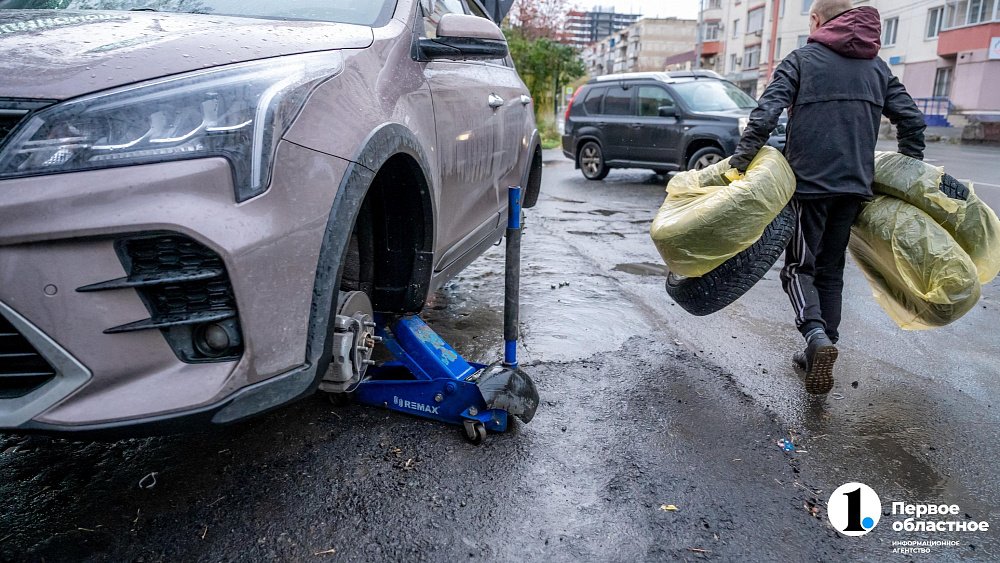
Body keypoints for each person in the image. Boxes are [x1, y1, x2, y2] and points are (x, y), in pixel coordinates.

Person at [728, 0, 926, 394]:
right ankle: (821, 346)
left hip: (809, 186)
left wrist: (740, 162)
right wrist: (908, 170)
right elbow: (912, 120)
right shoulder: (877, 67)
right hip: (855, 186)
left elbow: (765, 114)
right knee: (830, 270)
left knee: (798, 268)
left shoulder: (802, 59)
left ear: (817, 21)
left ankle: (816, 336)